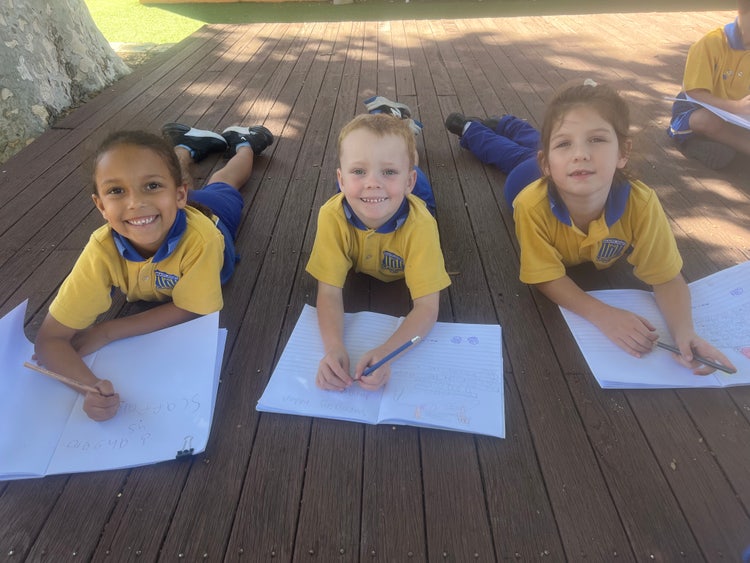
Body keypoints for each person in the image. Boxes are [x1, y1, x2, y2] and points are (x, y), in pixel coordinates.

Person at [447, 80, 736, 374]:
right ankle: (473, 129)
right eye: (566, 144)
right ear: (546, 165)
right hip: (525, 176)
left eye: (596, 139)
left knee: (539, 140)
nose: (581, 153)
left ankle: (510, 123)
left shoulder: (642, 202)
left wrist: (685, 333)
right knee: (509, 155)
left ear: (623, 152)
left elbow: (667, 278)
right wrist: (603, 315)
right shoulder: (529, 205)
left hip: (554, 167)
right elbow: (544, 277)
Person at [34, 122, 274, 421]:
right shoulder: (101, 250)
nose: (136, 202)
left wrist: (108, 330)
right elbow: (49, 340)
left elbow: (193, 308)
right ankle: (186, 147)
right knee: (166, 170)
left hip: (212, 215)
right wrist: (90, 388)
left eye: (151, 186)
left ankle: (244, 143)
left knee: (224, 182)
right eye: (116, 190)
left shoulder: (202, 239)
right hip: (171, 206)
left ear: (180, 195)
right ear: (101, 206)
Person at [306, 98, 451, 392]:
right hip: (384, 193)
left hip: (410, 198)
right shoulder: (331, 215)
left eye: (388, 172)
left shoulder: (421, 224)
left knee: (404, 165)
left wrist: (387, 353)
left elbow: (426, 308)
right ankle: (389, 122)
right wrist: (333, 347)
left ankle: (398, 126)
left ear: (407, 182)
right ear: (340, 180)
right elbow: (329, 292)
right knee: (380, 167)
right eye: (358, 172)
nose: (373, 182)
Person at [667, 0, 750, 169]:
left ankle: (728, 149)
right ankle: (693, 144)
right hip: (694, 111)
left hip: (737, 117)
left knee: (724, 136)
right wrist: (735, 106)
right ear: (742, 13)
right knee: (708, 121)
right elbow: (694, 93)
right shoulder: (710, 43)